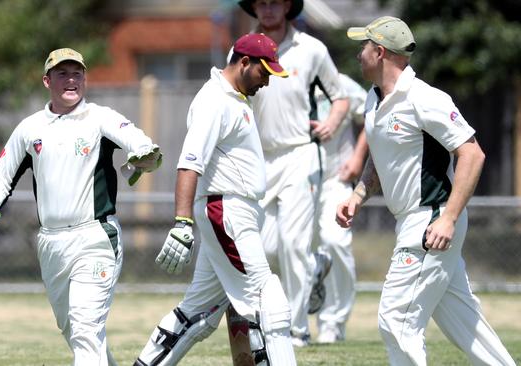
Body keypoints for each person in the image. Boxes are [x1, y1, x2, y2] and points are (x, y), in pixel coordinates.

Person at [0, 47, 162, 366]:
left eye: (77, 73)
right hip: (51, 243)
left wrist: (144, 156)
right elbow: (2, 175)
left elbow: (141, 144)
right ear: (47, 80)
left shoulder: (100, 118)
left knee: (85, 329)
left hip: (95, 237)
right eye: (62, 74)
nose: (71, 80)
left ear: (85, 78)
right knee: (76, 333)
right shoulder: (30, 128)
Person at [337, 16, 516, 365]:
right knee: (467, 325)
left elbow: (472, 154)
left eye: (363, 46)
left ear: (379, 52)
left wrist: (448, 218)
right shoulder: (374, 100)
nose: (358, 54)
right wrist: (358, 195)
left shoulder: (424, 98)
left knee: (396, 321)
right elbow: (382, 154)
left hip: (431, 221)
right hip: (411, 222)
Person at [134, 33, 296, 366]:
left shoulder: (236, 98)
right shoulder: (214, 100)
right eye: (264, 73)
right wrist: (182, 221)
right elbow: (189, 162)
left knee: (198, 314)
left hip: (235, 212)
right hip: (226, 210)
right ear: (244, 62)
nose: (266, 82)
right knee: (269, 303)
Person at [237, 0, 350, 347]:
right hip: (259, 158)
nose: (268, 9)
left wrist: (331, 123)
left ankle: (297, 329)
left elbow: (341, 97)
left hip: (301, 154)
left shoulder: (311, 48)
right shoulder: (243, 48)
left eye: (275, 2)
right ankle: (315, 266)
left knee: (292, 244)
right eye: (262, 2)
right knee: (266, 247)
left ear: (287, 6)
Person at [309, 73, 368, 344]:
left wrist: (358, 157)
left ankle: (334, 323)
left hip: (336, 180)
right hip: (296, 182)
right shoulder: (281, 81)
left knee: (335, 242)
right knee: (285, 248)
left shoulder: (343, 83)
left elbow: (372, 114)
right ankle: (294, 321)